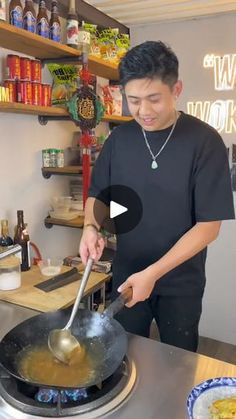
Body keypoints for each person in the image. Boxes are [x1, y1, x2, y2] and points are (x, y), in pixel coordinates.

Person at [79, 41, 235, 352]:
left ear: (176, 89)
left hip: (181, 283)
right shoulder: (118, 140)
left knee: (178, 361)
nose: (144, 111)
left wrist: (152, 274)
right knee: (123, 356)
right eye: (133, 100)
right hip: (126, 276)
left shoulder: (204, 142)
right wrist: (90, 228)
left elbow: (209, 227)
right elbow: (98, 195)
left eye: (154, 99)